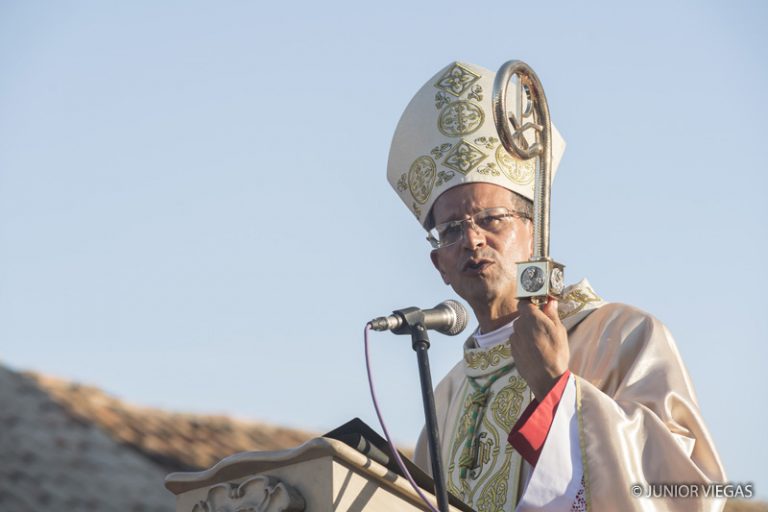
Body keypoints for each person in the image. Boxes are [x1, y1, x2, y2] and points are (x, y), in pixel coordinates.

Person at [386, 61, 726, 511]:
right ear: (439, 265)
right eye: (451, 229)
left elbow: (688, 491)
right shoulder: (448, 397)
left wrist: (556, 389)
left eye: (491, 219)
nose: (472, 239)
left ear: (532, 232)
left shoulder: (622, 337)